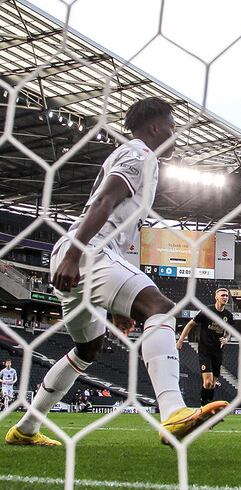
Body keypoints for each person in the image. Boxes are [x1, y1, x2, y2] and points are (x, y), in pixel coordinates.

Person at [6, 98, 227, 447]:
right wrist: (75, 254)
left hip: (85, 255)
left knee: (88, 348)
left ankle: (26, 429)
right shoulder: (139, 154)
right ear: (155, 127)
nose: (175, 134)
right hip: (87, 251)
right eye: (171, 126)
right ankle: (172, 412)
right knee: (160, 307)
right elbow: (103, 202)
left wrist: (112, 302)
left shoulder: (137, 157)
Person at [177, 288, 234, 406]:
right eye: (223, 295)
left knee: (212, 384)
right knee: (207, 382)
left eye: (227, 296)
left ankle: (208, 405)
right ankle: (203, 405)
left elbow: (229, 331)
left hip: (218, 351)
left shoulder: (228, 316)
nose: (225, 297)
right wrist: (181, 340)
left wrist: (226, 339)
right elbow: (190, 324)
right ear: (216, 297)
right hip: (205, 350)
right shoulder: (206, 311)